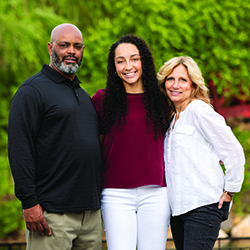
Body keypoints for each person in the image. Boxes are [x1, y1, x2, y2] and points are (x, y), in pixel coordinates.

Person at [8, 23, 102, 250]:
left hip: (90, 215)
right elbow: (20, 149)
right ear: (51, 48)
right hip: (52, 215)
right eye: (64, 45)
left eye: (77, 46)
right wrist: (29, 203)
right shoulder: (32, 91)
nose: (71, 51)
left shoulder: (82, 93)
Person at [157, 56, 245, 250]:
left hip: (203, 206)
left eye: (182, 80)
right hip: (178, 210)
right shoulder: (172, 120)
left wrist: (229, 190)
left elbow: (233, 150)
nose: (175, 85)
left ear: (193, 85)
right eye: (170, 79)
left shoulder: (199, 110)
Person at [92, 34, 171, 250]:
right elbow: (95, 147)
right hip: (115, 194)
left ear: (143, 61)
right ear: (114, 66)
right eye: (120, 61)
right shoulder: (101, 100)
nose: (128, 66)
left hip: (156, 192)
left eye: (134, 59)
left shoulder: (162, 101)